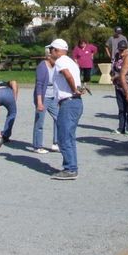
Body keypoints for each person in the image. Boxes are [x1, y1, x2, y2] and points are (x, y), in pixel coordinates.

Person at [48, 38, 83, 180]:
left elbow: (67, 75)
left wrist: (74, 89)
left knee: (63, 137)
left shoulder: (61, 61)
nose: (50, 52)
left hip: (69, 101)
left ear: (56, 50)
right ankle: (71, 166)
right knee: (69, 136)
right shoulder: (71, 61)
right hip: (74, 102)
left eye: (51, 49)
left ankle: (70, 168)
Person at [32, 47, 56, 154]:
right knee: (39, 122)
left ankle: (56, 143)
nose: (56, 61)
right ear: (48, 56)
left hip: (53, 97)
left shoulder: (56, 66)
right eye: (54, 58)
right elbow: (39, 86)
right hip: (43, 97)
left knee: (59, 118)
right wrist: (39, 102)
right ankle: (37, 146)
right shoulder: (42, 66)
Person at [110, 40, 128, 135]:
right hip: (118, 86)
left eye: (123, 50)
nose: (121, 52)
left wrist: (116, 76)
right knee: (121, 108)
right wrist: (113, 75)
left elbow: (127, 71)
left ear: (127, 49)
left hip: (127, 86)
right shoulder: (117, 57)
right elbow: (114, 68)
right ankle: (121, 127)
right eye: (120, 50)